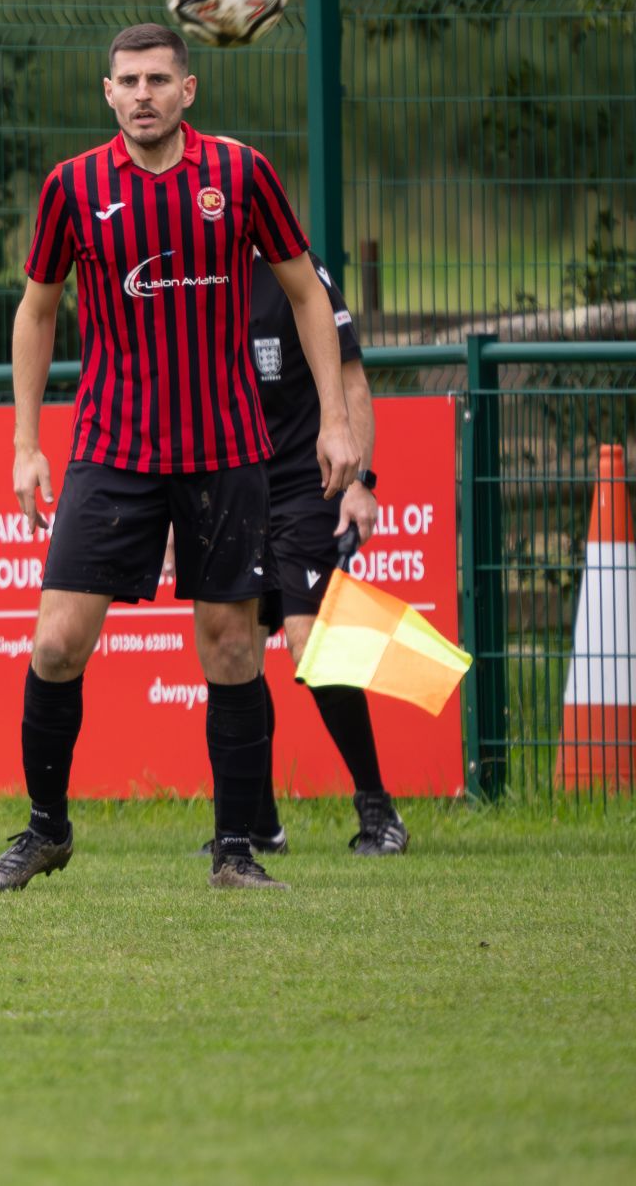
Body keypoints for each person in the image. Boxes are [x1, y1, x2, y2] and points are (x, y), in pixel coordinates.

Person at [0, 22, 362, 895]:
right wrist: (27, 442)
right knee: (56, 643)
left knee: (230, 650)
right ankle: (45, 831)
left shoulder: (240, 173)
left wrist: (337, 421)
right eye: (127, 81)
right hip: (112, 450)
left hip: (226, 449)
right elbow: (36, 313)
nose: (142, 94)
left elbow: (307, 293)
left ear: (189, 90)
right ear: (106, 93)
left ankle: (234, 852)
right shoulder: (72, 187)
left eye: (158, 79)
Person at [174, 249, 409, 856]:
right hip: (231, 481)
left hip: (310, 483)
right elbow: (187, 402)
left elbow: (352, 380)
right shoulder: (194, 272)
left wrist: (361, 482)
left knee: (311, 642)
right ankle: (257, 823)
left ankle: (378, 809)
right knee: (235, 649)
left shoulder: (299, 272)